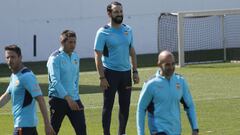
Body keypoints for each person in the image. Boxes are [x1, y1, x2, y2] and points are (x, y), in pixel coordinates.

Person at [94, 1, 140, 135]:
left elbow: (132, 51)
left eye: (121, 11)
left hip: (125, 74)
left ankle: (122, 132)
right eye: (116, 12)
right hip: (110, 74)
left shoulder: (128, 30)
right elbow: (97, 56)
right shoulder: (103, 32)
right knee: (108, 106)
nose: (119, 14)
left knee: (125, 106)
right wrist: (102, 77)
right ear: (109, 13)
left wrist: (135, 71)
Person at [136, 50, 199, 135]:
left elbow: (189, 105)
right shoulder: (151, 84)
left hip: (176, 131)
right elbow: (141, 109)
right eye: (167, 65)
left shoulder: (180, 81)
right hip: (158, 130)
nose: (171, 67)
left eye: (173, 64)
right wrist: (141, 133)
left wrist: (195, 128)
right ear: (159, 65)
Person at [0, 45, 55, 135]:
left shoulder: (27, 76)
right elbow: (6, 96)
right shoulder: (14, 76)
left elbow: (40, 99)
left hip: (23, 128)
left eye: (13, 57)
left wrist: (47, 124)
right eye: (7, 57)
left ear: (20, 57)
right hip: (24, 128)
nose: (10, 60)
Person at [47, 30, 87, 135]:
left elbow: (76, 78)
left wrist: (75, 96)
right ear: (63, 42)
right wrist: (67, 98)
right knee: (52, 131)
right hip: (58, 100)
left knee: (82, 130)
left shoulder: (75, 57)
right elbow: (55, 81)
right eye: (70, 42)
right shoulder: (54, 58)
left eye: (74, 42)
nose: (73, 45)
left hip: (74, 99)